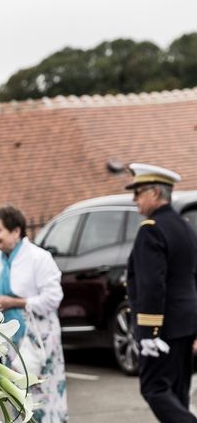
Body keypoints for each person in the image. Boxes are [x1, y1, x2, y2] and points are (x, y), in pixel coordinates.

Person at [125, 163, 197, 422]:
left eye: (138, 192)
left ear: (155, 193)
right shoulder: (184, 226)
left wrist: (149, 332)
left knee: (154, 388)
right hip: (185, 324)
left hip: (162, 328)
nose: (135, 199)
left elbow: (152, 285)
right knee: (177, 392)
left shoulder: (151, 229)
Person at [0, 205, 68, 423]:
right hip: (9, 341)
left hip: (38, 339)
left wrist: (15, 302)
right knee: (16, 395)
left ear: (16, 231)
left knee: (42, 396)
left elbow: (53, 298)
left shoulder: (39, 258)